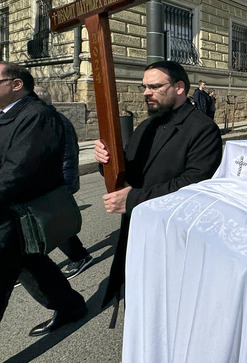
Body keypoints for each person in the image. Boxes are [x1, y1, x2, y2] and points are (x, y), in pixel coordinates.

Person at [0, 62, 88, 363]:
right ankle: (71, 306)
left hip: (6, 216)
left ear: (16, 84)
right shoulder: (0, 116)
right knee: (31, 265)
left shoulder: (37, 117)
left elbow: (18, 173)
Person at [93, 61, 223, 310]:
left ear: (179, 87)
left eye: (154, 86)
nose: (146, 92)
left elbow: (193, 185)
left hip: (173, 238)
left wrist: (132, 200)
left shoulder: (203, 129)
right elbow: (131, 170)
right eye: (144, 86)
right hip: (138, 232)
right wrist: (108, 160)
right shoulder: (146, 126)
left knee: (168, 305)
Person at [33, 87, 95, 281]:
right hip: (44, 182)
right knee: (36, 225)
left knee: (54, 224)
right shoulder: (41, 118)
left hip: (56, 183)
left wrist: (63, 186)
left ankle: (79, 256)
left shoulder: (52, 120)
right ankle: (27, 266)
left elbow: (66, 155)